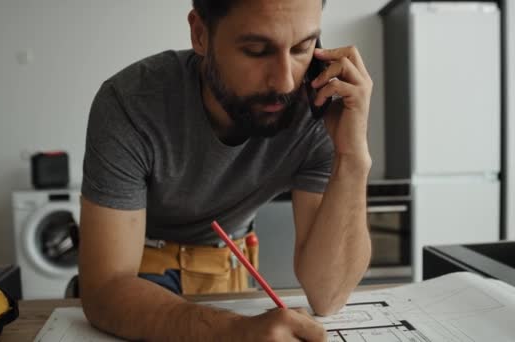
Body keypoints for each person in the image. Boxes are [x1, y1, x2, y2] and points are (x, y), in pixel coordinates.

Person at [78, 0, 373, 340]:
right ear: (200, 34)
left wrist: (351, 157)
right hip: (138, 280)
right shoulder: (130, 103)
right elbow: (106, 289)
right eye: (256, 50)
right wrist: (236, 332)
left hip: (227, 267)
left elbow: (329, 294)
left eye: (301, 48)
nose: (285, 82)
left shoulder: (318, 106)